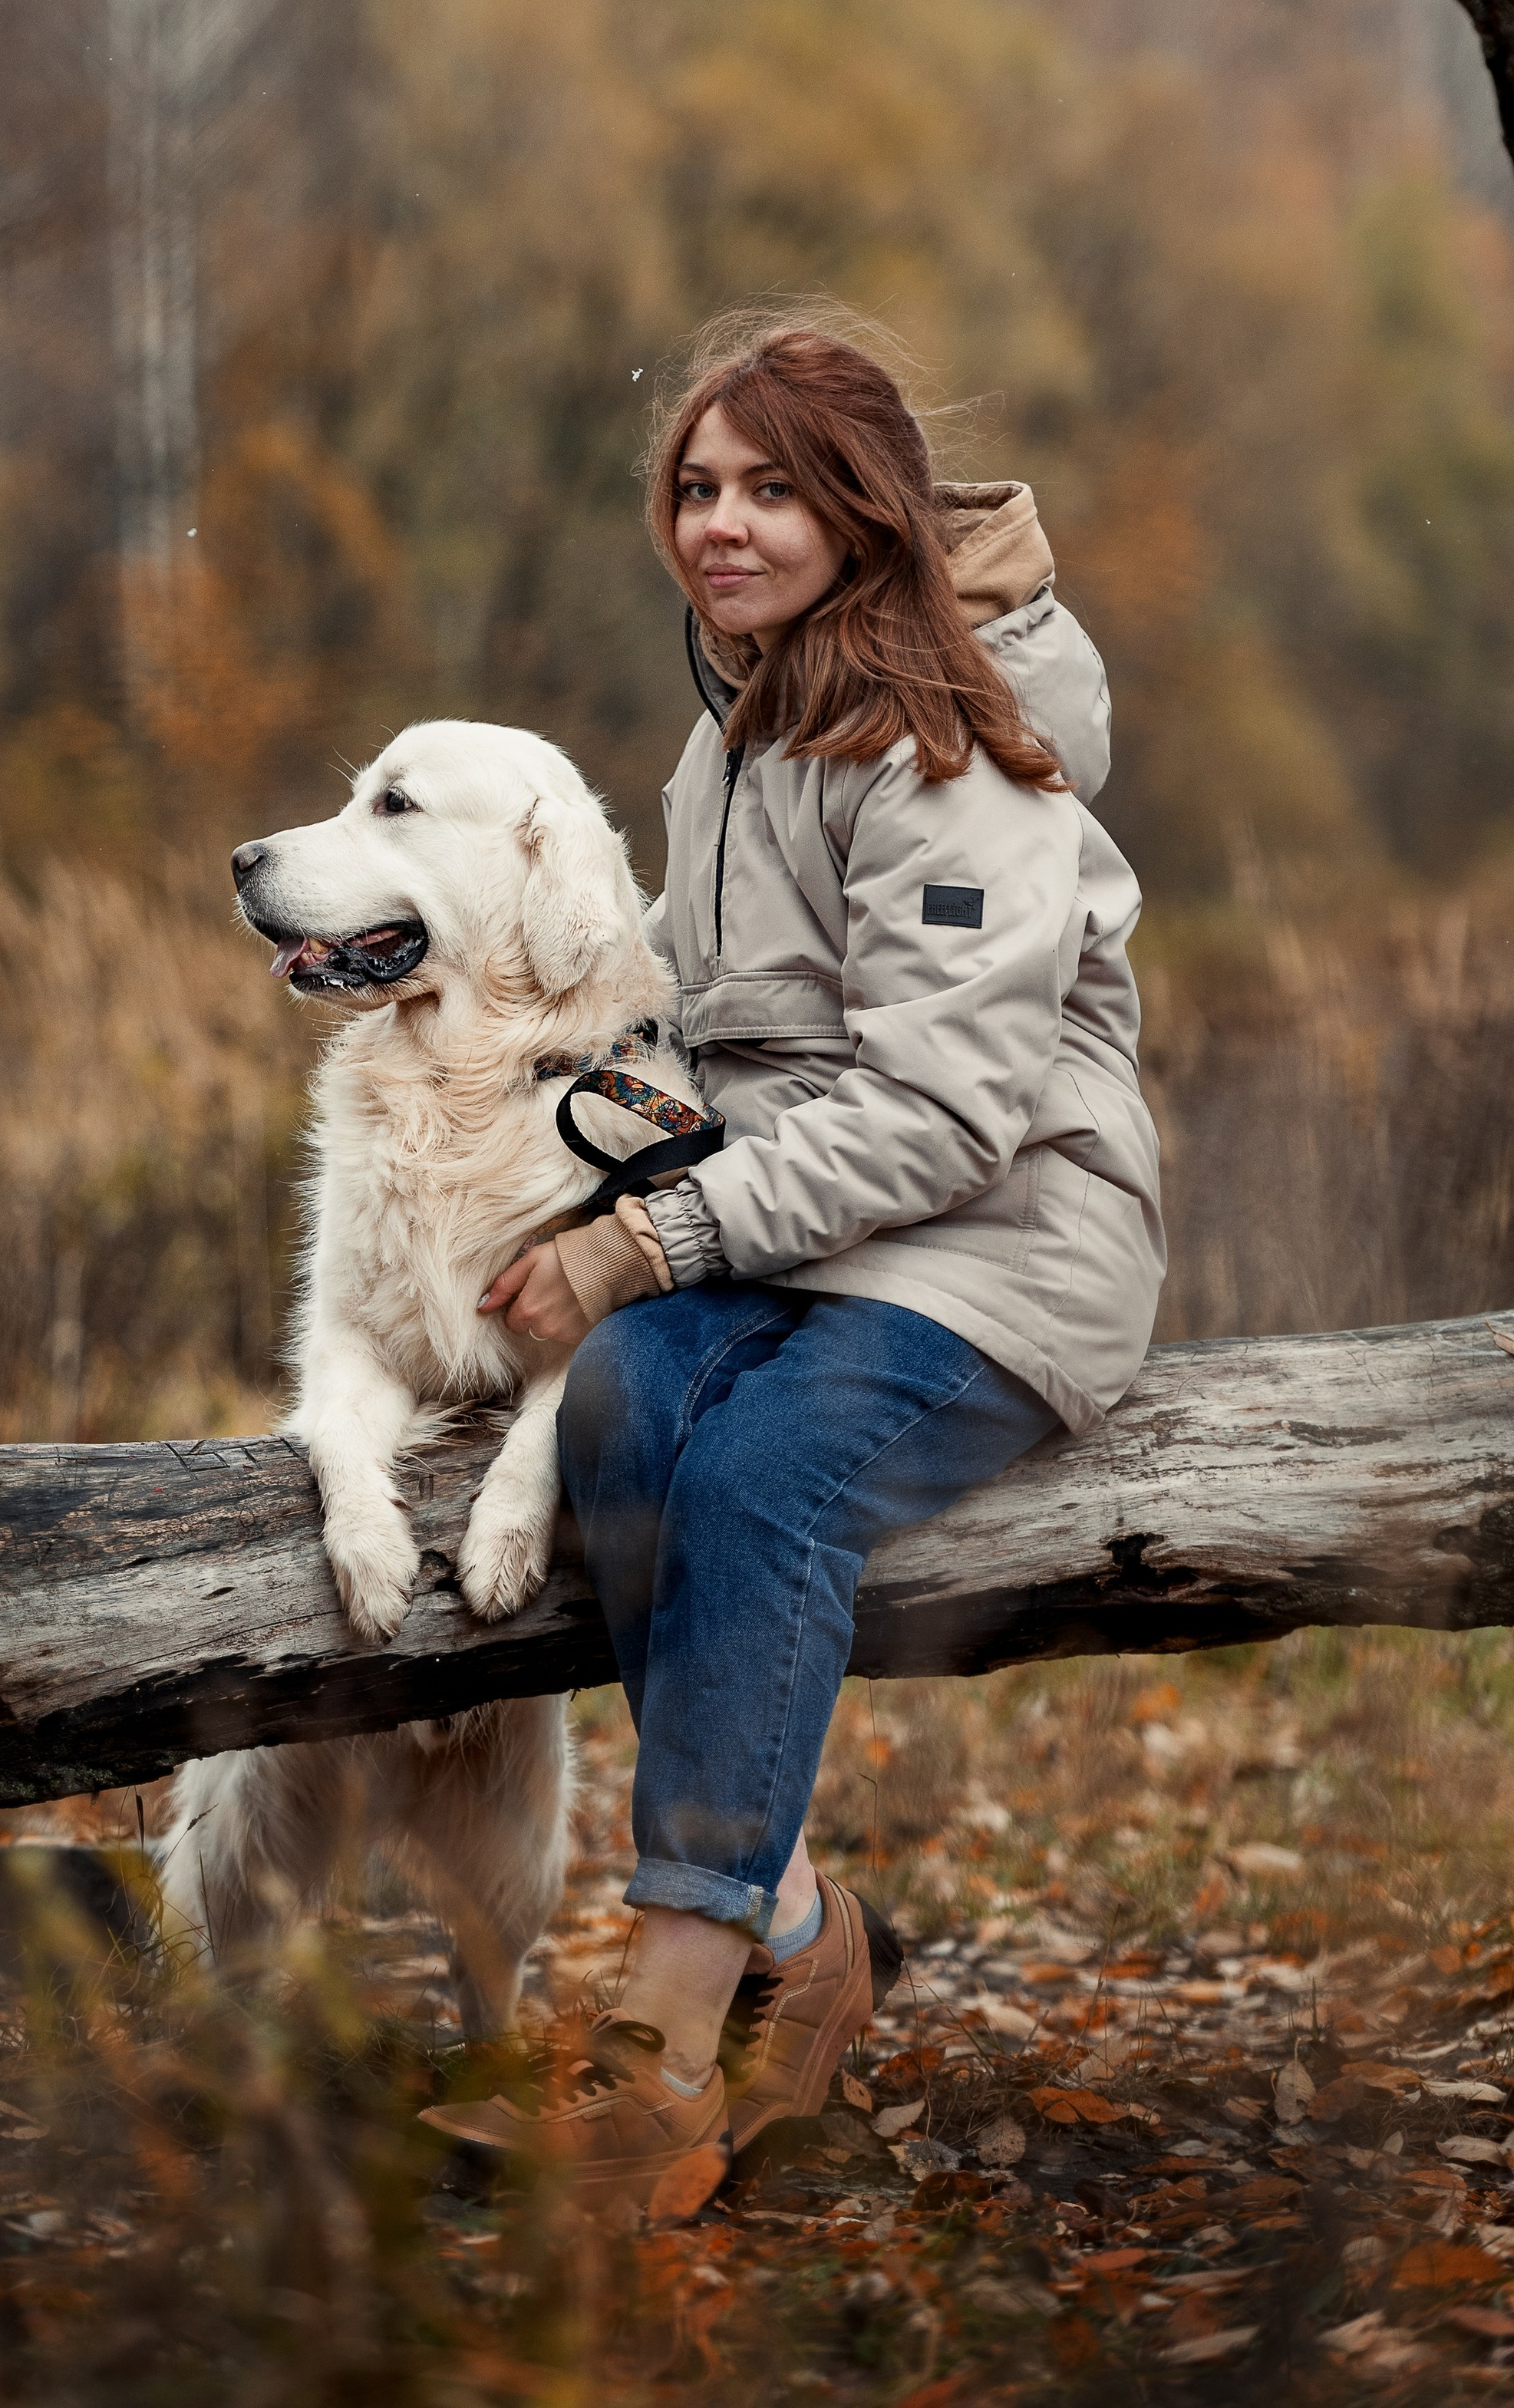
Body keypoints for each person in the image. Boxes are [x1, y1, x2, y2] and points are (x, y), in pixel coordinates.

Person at [424, 312, 1165, 2221]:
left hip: (1002, 1245)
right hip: (809, 1233)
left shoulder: (954, 744)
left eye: (768, 489)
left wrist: (648, 1235)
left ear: (858, 509)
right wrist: (494, 1031)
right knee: (625, 1413)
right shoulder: (737, 723)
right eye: (695, 486)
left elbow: (941, 1115)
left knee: (762, 1470)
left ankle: (658, 2055)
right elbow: (696, 995)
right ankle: (799, 1920)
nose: (721, 525)